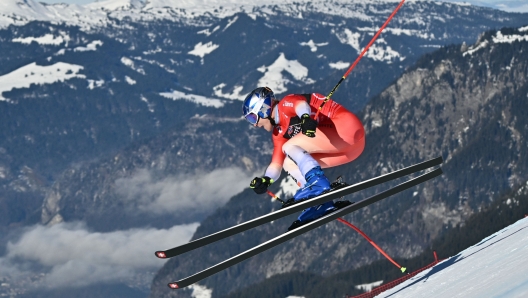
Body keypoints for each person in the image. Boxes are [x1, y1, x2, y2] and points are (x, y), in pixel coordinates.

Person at [243, 87, 365, 230]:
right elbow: (277, 163)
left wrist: (306, 118)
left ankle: (317, 184)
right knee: (289, 163)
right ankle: (319, 202)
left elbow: (300, 105)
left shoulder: (284, 104)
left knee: (289, 146)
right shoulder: (279, 133)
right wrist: (266, 180)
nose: (255, 125)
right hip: (350, 149)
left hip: (347, 129)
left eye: (253, 118)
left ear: (264, 109)